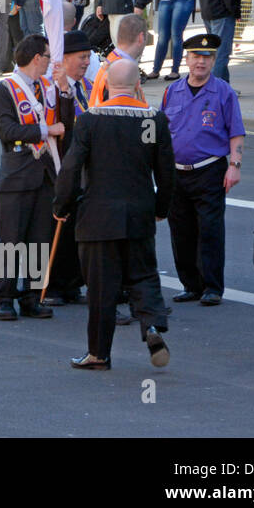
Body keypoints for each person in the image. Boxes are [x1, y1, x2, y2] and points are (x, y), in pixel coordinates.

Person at [53, 58, 175, 370]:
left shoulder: (91, 120)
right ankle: (150, 324)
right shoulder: (152, 120)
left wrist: (62, 205)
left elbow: (71, 166)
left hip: (98, 217)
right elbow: (166, 173)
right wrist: (161, 209)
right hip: (138, 214)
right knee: (144, 275)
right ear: (137, 85)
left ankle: (99, 353)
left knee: (101, 288)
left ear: (106, 85)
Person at [160, 33, 244, 308]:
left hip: (209, 171)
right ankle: (190, 285)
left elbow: (236, 134)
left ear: (214, 61)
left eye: (206, 57)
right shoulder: (172, 91)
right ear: (186, 59)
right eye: (196, 56)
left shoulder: (223, 92)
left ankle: (211, 287)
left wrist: (234, 166)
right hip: (176, 173)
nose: (200, 62)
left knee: (210, 231)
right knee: (180, 231)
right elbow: (162, 132)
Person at [0, 34, 62, 321]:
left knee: (39, 239)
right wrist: (45, 131)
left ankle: (32, 296)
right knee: (12, 240)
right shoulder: (4, 89)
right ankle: (4, 297)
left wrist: (65, 90)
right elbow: (7, 130)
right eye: (47, 56)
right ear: (36, 58)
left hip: (45, 174)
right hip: (17, 174)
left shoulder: (47, 86)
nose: (49, 61)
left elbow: (63, 117)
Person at [43, 29, 96, 307]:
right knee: (57, 228)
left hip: (85, 171)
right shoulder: (50, 88)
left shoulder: (89, 87)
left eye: (88, 56)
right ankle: (53, 285)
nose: (87, 62)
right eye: (81, 57)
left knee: (79, 228)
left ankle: (73, 283)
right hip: (59, 168)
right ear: (63, 59)